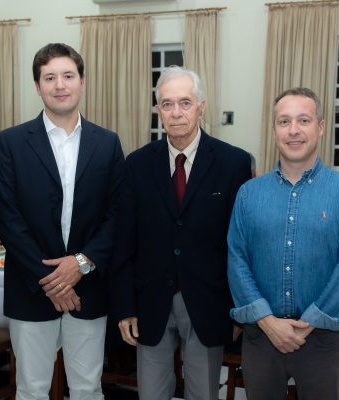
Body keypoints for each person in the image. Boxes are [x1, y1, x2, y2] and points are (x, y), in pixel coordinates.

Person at [110, 66, 252, 400]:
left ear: (201, 107)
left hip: (208, 302)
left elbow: (241, 245)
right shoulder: (136, 164)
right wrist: (125, 306)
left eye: (185, 103)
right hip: (150, 303)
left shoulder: (233, 164)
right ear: (158, 110)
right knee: (151, 394)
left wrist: (238, 309)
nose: (176, 112)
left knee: (203, 393)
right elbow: (124, 241)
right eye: (167, 104)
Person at [0, 42, 124, 399]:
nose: (60, 85)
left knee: (87, 388)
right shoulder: (10, 143)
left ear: (82, 82)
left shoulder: (108, 143)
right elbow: (7, 216)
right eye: (49, 78)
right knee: (32, 389)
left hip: (89, 287)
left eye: (68, 75)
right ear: (38, 86)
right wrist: (52, 280)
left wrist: (80, 264)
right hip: (30, 287)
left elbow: (116, 215)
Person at [227, 87, 339, 400]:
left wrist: (311, 321)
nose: (293, 130)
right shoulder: (249, 194)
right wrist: (268, 322)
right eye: (284, 121)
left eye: (303, 120)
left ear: (321, 127)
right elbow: (237, 261)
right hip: (261, 337)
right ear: (274, 130)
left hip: (321, 341)